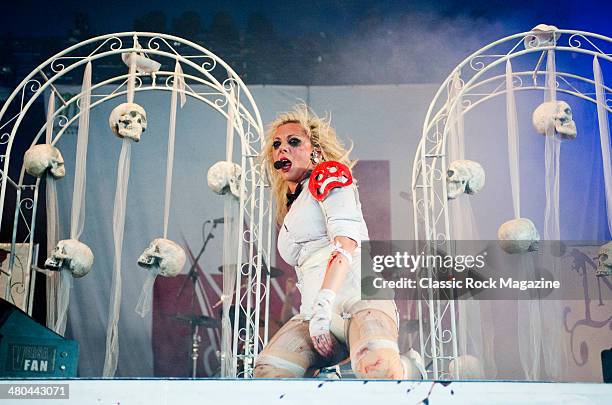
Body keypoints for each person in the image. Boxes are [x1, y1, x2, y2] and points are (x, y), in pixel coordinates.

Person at [254, 104, 406, 379]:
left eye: (293, 142)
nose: (282, 149)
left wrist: (324, 304)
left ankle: (411, 369)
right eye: (276, 144)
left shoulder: (330, 175)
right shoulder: (293, 207)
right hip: (315, 314)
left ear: (315, 151)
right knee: (269, 373)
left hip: (360, 297)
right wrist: (317, 314)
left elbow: (345, 243)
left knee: (379, 368)